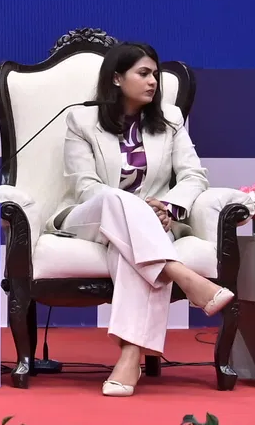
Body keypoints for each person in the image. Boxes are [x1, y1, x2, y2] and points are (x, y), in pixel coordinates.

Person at [48, 42, 234, 395]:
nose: (153, 82)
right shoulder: (81, 120)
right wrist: (140, 209)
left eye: (155, 75)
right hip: (90, 218)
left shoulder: (170, 120)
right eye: (144, 73)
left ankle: (129, 357)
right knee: (116, 199)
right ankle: (181, 274)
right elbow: (86, 186)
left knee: (129, 250)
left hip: (148, 226)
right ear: (117, 78)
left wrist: (168, 206)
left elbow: (193, 176)